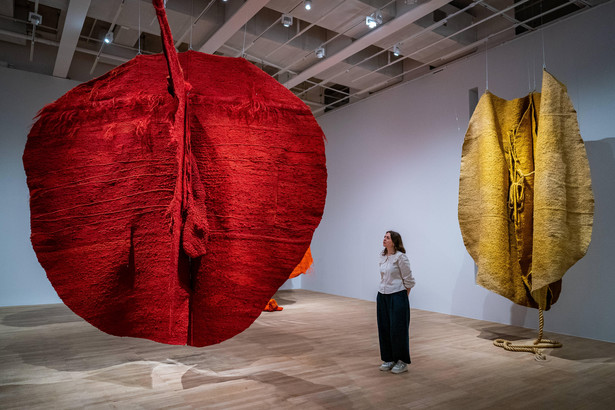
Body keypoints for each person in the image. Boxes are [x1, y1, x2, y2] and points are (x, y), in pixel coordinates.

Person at [377, 230, 415, 374]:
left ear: (394, 241)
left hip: (398, 295)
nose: (384, 239)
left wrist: (403, 298)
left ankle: (401, 361)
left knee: (398, 329)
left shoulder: (401, 258)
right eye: (384, 237)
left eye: (387, 237)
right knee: (384, 328)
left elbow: (409, 280)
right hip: (382, 295)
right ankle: (389, 359)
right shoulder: (382, 256)